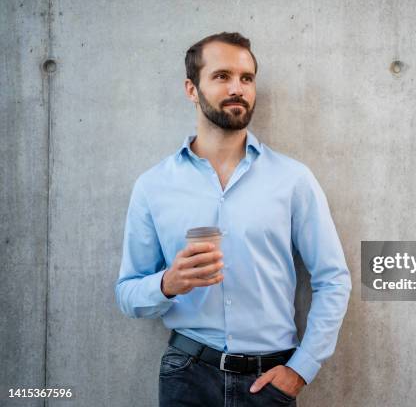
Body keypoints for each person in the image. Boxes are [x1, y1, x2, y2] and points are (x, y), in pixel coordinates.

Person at [114, 32, 352, 406]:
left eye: (246, 78)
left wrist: (301, 369)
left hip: (269, 381)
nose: (237, 88)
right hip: (187, 374)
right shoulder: (153, 185)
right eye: (222, 76)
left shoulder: (293, 179)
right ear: (192, 89)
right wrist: (168, 283)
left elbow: (333, 279)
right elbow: (127, 293)